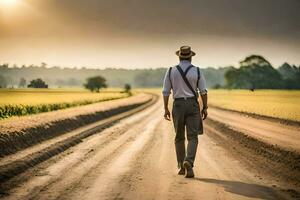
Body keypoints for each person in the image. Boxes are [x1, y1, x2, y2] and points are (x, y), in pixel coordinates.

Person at [162, 46, 208, 178]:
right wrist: (205, 107)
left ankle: (181, 166)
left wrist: (165, 108)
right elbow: (203, 91)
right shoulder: (197, 71)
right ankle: (189, 161)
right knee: (193, 137)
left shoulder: (171, 71)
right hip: (193, 104)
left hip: (178, 104)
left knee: (179, 137)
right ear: (191, 57)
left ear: (179, 56)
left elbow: (166, 92)